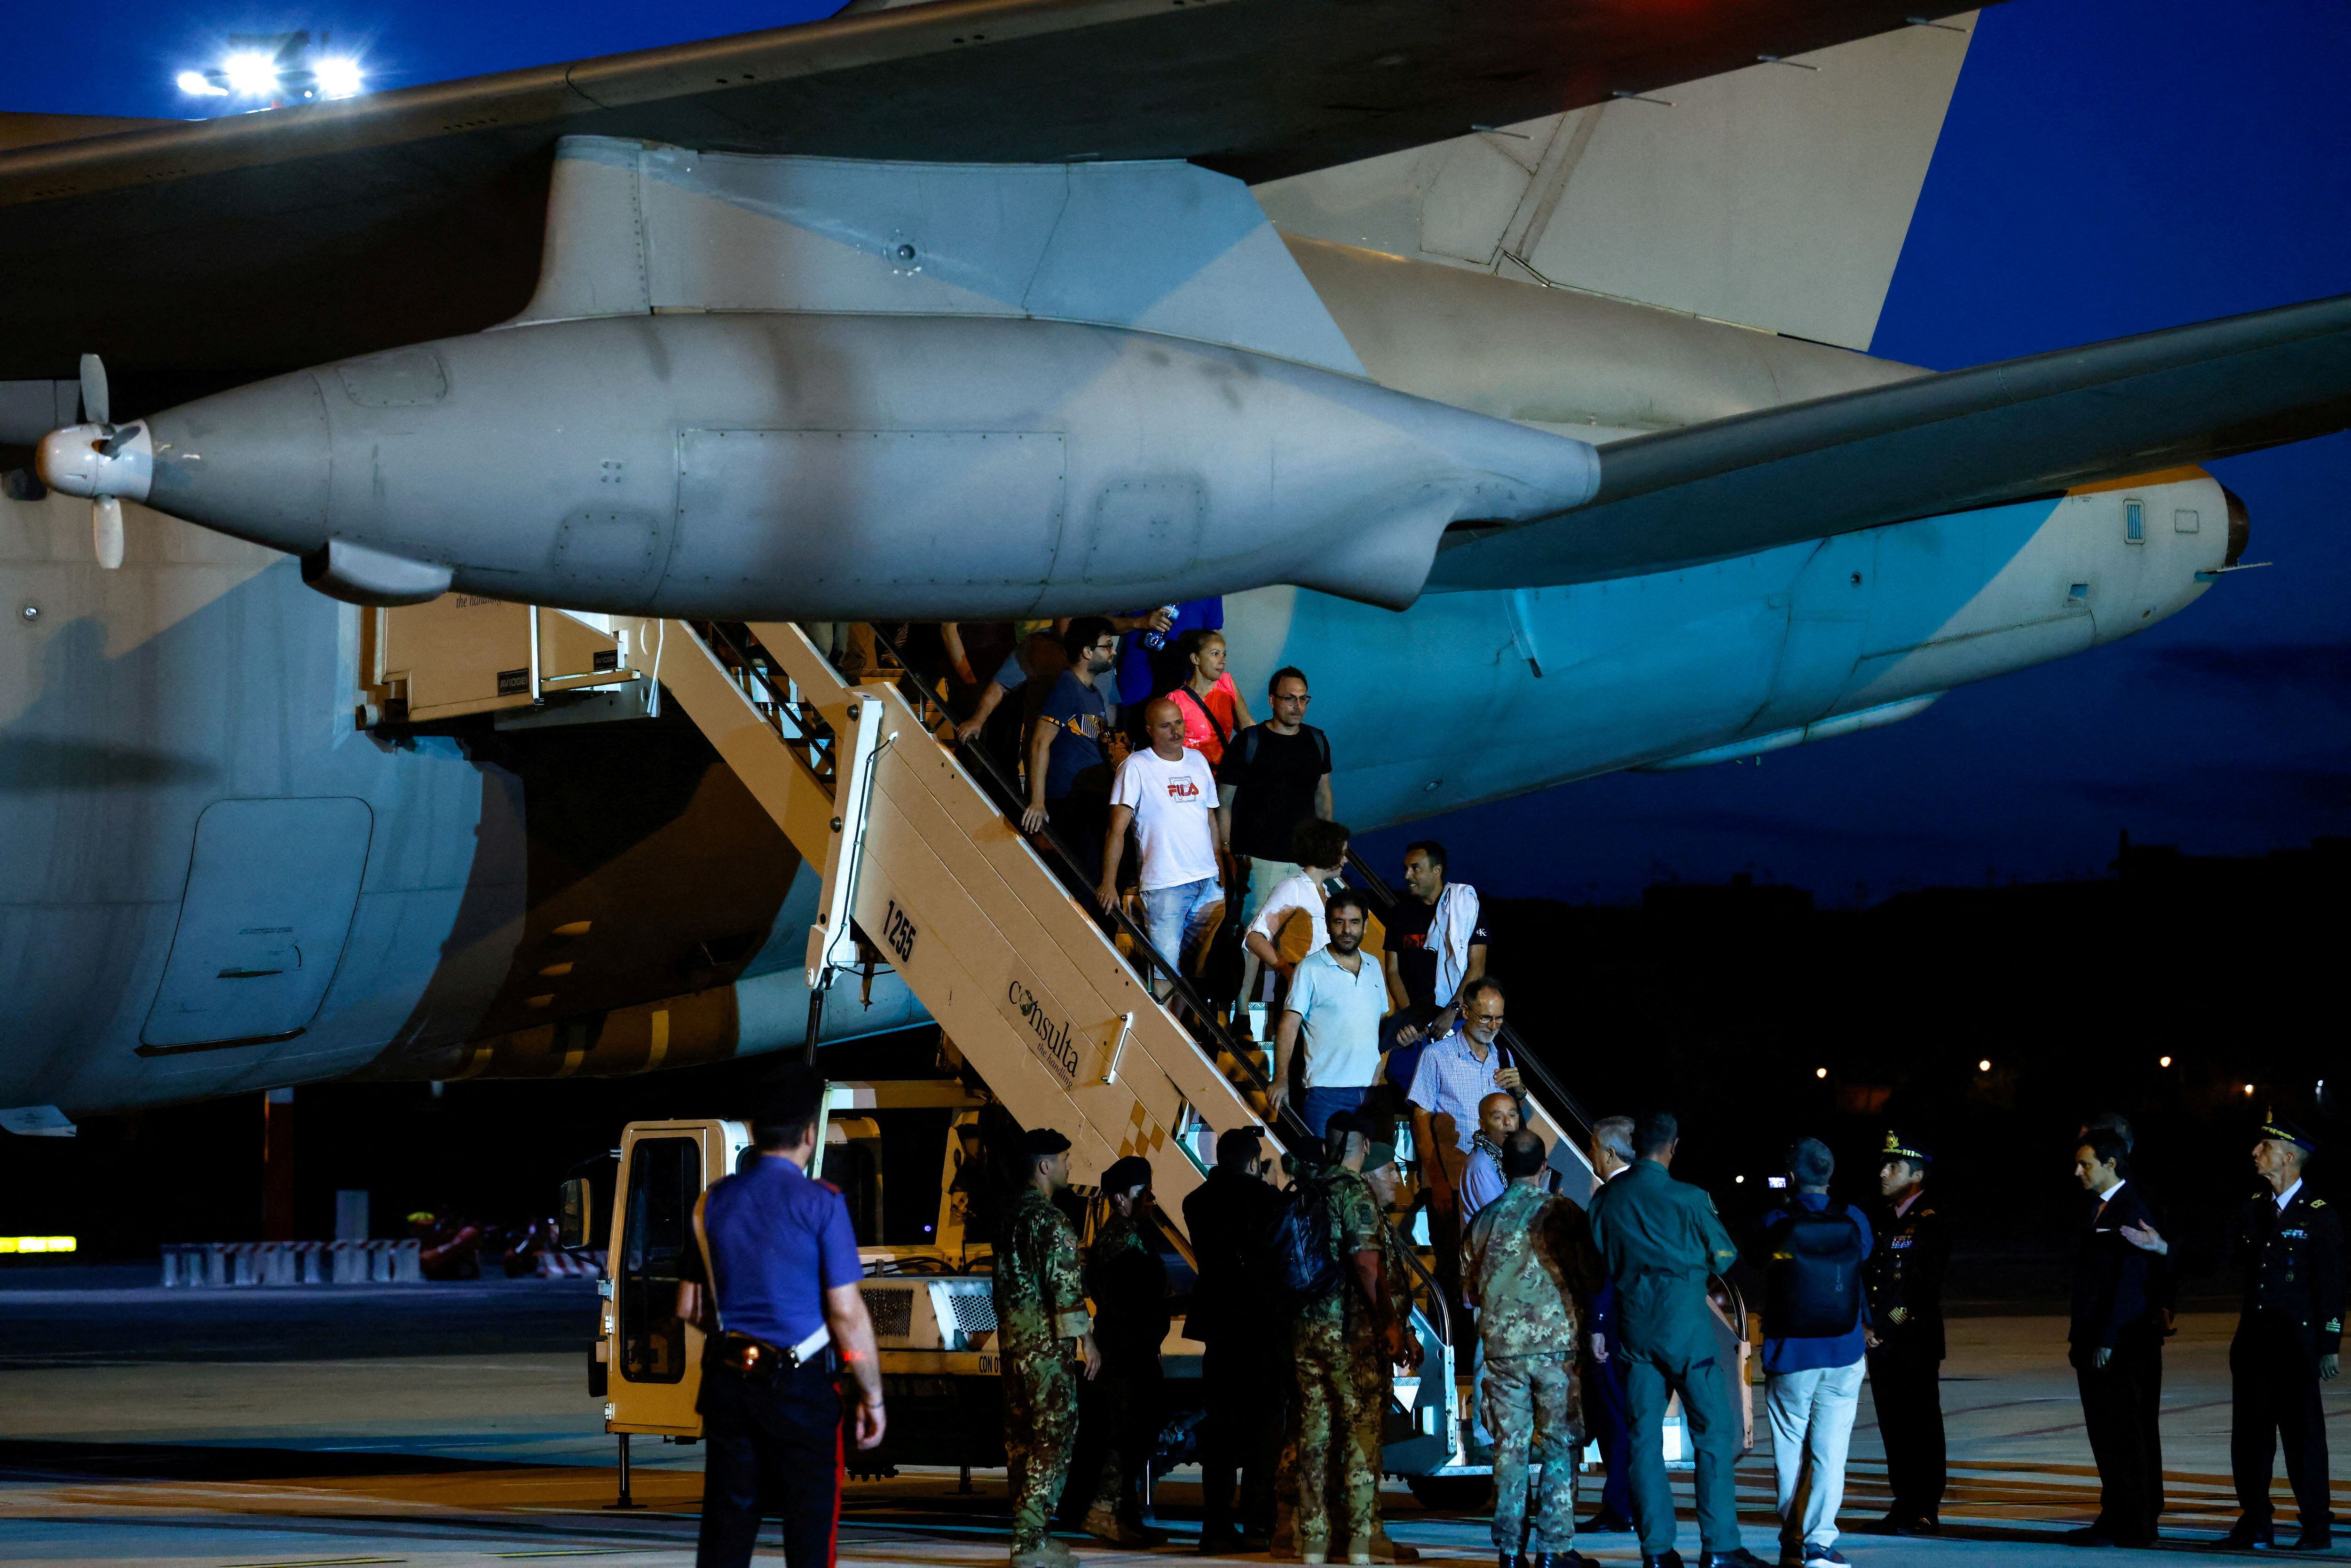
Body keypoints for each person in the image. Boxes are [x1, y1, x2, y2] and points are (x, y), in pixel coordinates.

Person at [676, 1076, 885, 1568]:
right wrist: (871, 1393)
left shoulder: (712, 1201)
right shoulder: (821, 1201)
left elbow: (689, 1305)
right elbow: (846, 1312)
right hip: (800, 1388)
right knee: (810, 1529)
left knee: (727, 1530)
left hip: (729, 1382)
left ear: (752, 1129)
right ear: (809, 1133)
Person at [1584, 1110, 1761, 1568]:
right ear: (1672, 1146)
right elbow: (1723, 1256)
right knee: (1712, 1432)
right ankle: (1720, 1544)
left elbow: (1599, 1257)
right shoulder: (1689, 1197)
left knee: (1642, 1439)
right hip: (1686, 1328)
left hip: (1636, 1329)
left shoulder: (1606, 1200)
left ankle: (1657, 1549)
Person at [1464, 1127, 1602, 1568]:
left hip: (1502, 1349)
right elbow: (1589, 1275)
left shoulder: (1482, 1219)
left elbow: (1471, 1290)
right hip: (1556, 1347)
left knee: (1511, 1445)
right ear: (1544, 1167)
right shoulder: (1564, 1213)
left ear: (1503, 1167)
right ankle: (1554, 1547)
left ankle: (1509, 1549)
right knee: (1561, 1445)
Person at [2214, 1113, 2341, 1551]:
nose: (2255, 1152)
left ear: (2289, 1157)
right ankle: (2256, 1524)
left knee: (2304, 1440)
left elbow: (2332, 1287)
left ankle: (2317, 1527)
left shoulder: (2320, 1216)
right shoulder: (2252, 1208)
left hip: (2296, 1347)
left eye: (2265, 1147)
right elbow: (2220, 1261)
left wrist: (2329, 1345)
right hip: (2254, 1345)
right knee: (2250, 1441)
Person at [1292, 1113, 1409, 1566]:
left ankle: (1314, 1541)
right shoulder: (1353, 1191)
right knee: (1360, 1432)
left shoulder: (1310, 1188)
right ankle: (1360, 1542)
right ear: (1360, 1146)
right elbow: (1366, 1264)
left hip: (1305, 1332)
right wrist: (1391, 1322)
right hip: (1347, 1335)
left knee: (1314, 1434)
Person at [1751, 1139, 1872, 1568]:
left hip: (1791, 1351)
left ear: (1794, 1175)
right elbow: (1862, 1262)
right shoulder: (1854, 1218)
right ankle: (1820, 1541)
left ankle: (1792, 1534)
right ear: (1830, 1174)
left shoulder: (1777, 1218)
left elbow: (1759, 1261)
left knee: (1789, 1447)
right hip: (1844, 1348)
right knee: (1830, 1451)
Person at [995, 1128, 1102, 1568]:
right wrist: (1088, 1340)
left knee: (1021, 1439)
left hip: (1013, 1343)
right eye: (1064, 1158)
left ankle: (1030, 1536)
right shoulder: (1052, 1221)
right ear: (1045, 1166)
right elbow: (1065, 1288)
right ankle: (1030, 1540)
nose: (1068, 1166)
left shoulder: (1008, 1216)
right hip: (1045, 1346)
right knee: (1054, 1436)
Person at [1184, 1127, 1285, 1552]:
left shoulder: (1197, 1201)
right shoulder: (1267, 1200)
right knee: (1264, 1430)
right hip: (1261, 1327)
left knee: (1221, 1431)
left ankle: (1217, 1524)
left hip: (1219, 1327)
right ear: (1251, 1161)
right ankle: (1259, 1520)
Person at [2066, 1127, 2165, 1548]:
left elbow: (2131, 1281)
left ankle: (2136, 1523)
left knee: (2125, 1436)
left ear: (2111, 1164)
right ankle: (2117, 1515)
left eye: (2086, 1164)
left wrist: (2108, 1338)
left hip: (2119, 1345)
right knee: (2107, 1435)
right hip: (2097, 1341)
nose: (2078, 1171)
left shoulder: (2130, 1207)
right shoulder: (2101, 1207)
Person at [1100, 695, 1230, 977]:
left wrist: (1219, 867)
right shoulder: (1136, 766)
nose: (1176, 731)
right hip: (1165, 887)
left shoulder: (1198, 761)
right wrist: (1109, 882)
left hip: (1207, 883)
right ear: (1149, 731)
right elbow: (1116, 830)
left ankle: (1182, 1023)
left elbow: (1209, 819)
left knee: (1198, 974)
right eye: (1166, 726)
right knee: (1166, 976)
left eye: (1180, 723)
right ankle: (1164, 1022)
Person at [1080, 1155, 1171, 1546]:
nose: (1150, 1199)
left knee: (1137, 1435)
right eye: (1142, 1192)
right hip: (1124, 1354)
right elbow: (1129, 1300)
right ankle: (1106, 1513)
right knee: (1124, 1436)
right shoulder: (1119, 1240)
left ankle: (1126, 1516)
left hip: (1136, 1351)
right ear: (1119, 1197)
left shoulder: (1133, 1234)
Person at [1862, 1130, 1949, 1537]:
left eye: (1893, 1166)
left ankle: (1925, 1507)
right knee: (1893, 1426)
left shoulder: (1930, 1219)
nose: (1883, 1172)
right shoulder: (1883, 1218)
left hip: (1912, 1339)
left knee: (1921, 1425)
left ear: (1916, 1173)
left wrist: (1883, 1326)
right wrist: (1868, 1325)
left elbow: (1921, 1287)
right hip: (1882, 1341)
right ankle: (1903, 1502)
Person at [1217, 665, 1336, 941]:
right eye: (1290, 698)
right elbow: (1223, 803)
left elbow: (1324, 796)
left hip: (1303, 863)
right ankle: (1243, 986)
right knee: (1252, 937)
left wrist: (1326, 847)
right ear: (1272, 700)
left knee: (1300, 941)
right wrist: (1226, 852)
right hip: (1258, 862)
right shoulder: (1249, 741)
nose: (1298, 706)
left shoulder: (1317, 740)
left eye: (1304, 699)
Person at [1271, 891, 1389, 1136]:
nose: (1347, 930)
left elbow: (1381, 1023)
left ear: (1366, 927)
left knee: (1370, 1170)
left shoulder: (1374, 965)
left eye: (1354, 922)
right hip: (1326, 1092)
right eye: (1339, 922)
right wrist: (1281, 1078)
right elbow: (1289, 1025)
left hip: (1371, 1091)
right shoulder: (1310, 968)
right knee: (1324, 1168)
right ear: (1328, 925)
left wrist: (1381, 1067)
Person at [1379, 842, 1489, 1080]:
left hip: (1456, 1022)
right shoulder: (1400, 914)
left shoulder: (1464, 907)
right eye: (1406, 868)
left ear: (1437, 871)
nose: (1407, 875)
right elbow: (1393, 971)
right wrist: (1413, 1018)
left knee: (1456, 1091)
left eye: (1416, 868)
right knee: (1405, 1084)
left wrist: (1451, 1011)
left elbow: (1477, 966)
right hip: (1414, 1024)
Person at [1024, 618, 1121, 882]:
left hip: (1089, 799)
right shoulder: (1066, 686)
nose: (1113, 652)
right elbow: (1040, 742)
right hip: (1067, 800)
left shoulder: (1094, 694)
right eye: (1107, 647)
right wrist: (1038, 801)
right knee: (1079, 876)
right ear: (1087, 652)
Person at [1578, 1118, 1638, 1536]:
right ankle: (1637, 1503)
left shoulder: (1608, 1198)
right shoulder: (1660, 1191)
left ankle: (1620, 1505)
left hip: (1615, 1325)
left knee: (1614, 1416)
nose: (1592, 1155)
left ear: (1611, 1153)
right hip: (1653, 1325)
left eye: (1595, 1148)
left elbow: (1602, 1269)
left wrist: (1597, 1323)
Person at [1242, 818, 1351, 1005]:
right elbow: (1254, 938)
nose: (1345, 860)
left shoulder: (1325, 893)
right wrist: (1288, 971)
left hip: (1326, 991)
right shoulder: (1293, 888)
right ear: (1327, 852)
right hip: (1301, 994)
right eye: (1342, 854)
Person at [1165, 628, 1254, 767]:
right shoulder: (1176, 699)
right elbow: (1167, 746)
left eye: (1224, 655)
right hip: (1193, 776)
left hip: (1224, 774)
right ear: (1195, 659)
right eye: (1215, 654)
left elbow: (1247, 725)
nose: (1223, 661)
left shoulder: (1227, 683)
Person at [1115, 599, 1215, 717]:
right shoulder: (1134, 581)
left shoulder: (1207, 585)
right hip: (1137, 689)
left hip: (1186, 690)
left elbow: (1213, 634)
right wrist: (1141, 622)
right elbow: (1101, 624)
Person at [1460, 1092, 1522, 1219]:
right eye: (1498, 1117)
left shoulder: (1512, 1156)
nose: (1507, 1122)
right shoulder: (1482, 1165)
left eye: (1512, 1115)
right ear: (1482, 1125)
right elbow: (1503, 1218)